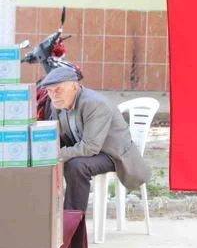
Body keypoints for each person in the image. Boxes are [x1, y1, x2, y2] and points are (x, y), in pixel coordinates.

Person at [41, 67, 152, 212]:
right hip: (88, 150)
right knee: (44, 161)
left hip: (113, 154)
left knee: (75, 166)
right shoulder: (58, 103)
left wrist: (56, 154)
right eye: (49, 91)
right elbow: (56, 135)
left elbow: (90, 147)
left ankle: (73, 220)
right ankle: (46, 216)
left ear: (74, 86)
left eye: (58, 89)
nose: (53, 95)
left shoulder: (94, 103)